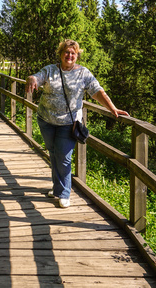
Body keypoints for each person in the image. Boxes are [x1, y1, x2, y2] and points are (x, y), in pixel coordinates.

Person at [25, 39, 129, 208]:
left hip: (68, 123)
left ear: (77, 56)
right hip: (46, 120)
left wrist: (113, 108)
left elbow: (97, 91)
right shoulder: (51, 69)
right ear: (60, 54)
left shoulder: (83, 73)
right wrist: (31, 78)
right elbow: (37, 77)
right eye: (67, 52)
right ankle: (58, 189)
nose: (70, 55)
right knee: (53, 153)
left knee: (64, 158)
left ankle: (65, 193)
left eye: (73, 53)